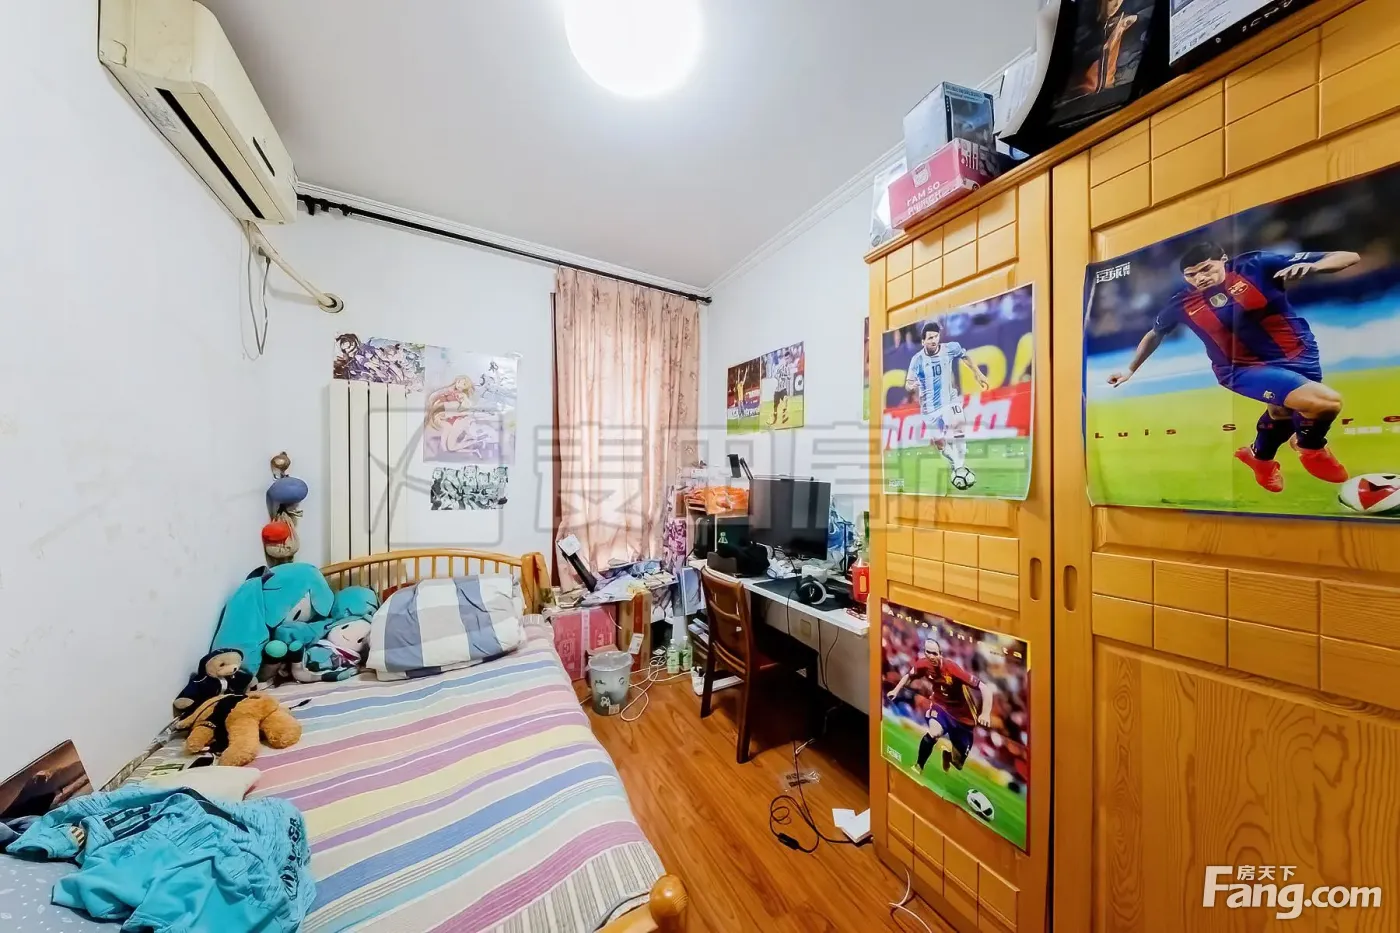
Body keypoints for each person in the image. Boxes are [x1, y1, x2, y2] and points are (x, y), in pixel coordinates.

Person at [1108, 241, 1360, 492]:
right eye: (1191, 275)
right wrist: (1130, 369)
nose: (1200, 278)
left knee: (1282, 412)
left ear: (1223, 260)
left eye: (1206, 269)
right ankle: (1310, 447)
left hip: (1300, 352)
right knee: (1326, 403)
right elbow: (1155, 333)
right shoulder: (1182, 303)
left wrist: (1316, 267)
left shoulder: (1255, 265)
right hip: (1240, 369)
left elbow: (1347, 255)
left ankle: (1259, 458)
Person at [886, 636, 994, 774]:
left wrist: (985, 713)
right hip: (940, 706)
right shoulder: (923, 664)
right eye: (928, 652)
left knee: (958, 763)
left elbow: (984, 688)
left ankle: (948, 756)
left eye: (934, 653)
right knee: (934, 733)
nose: (931, 656)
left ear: (941, 654)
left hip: (963, 718)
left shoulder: (952, 668)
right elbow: (909, 675)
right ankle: (918, 766)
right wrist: (895, 690)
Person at [905, 322, 990, 481]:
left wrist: (977, 374)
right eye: (930, 338)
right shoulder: (917, 360)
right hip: (929, 408)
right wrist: (911, 385)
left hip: (950, 400)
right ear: (923, 341)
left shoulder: (950, 348)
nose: (933, 340)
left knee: (959, 429)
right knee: (940, 445)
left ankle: (959, 469)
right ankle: (955, 464)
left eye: (936, 336)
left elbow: (964, 356)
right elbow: (908, 383)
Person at [767, 351, 795, 426]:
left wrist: (785, 375)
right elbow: (775, 375)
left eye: (788, 358)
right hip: (777, 390)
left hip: (783, 388)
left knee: (785, 400)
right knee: (775, 406)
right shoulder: (780, 366)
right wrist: (780, 375)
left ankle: (784, 417)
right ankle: (774, 419)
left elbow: (789, 378)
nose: (787, 360)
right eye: (786, 358)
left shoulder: (788, 368)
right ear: (784, 358)